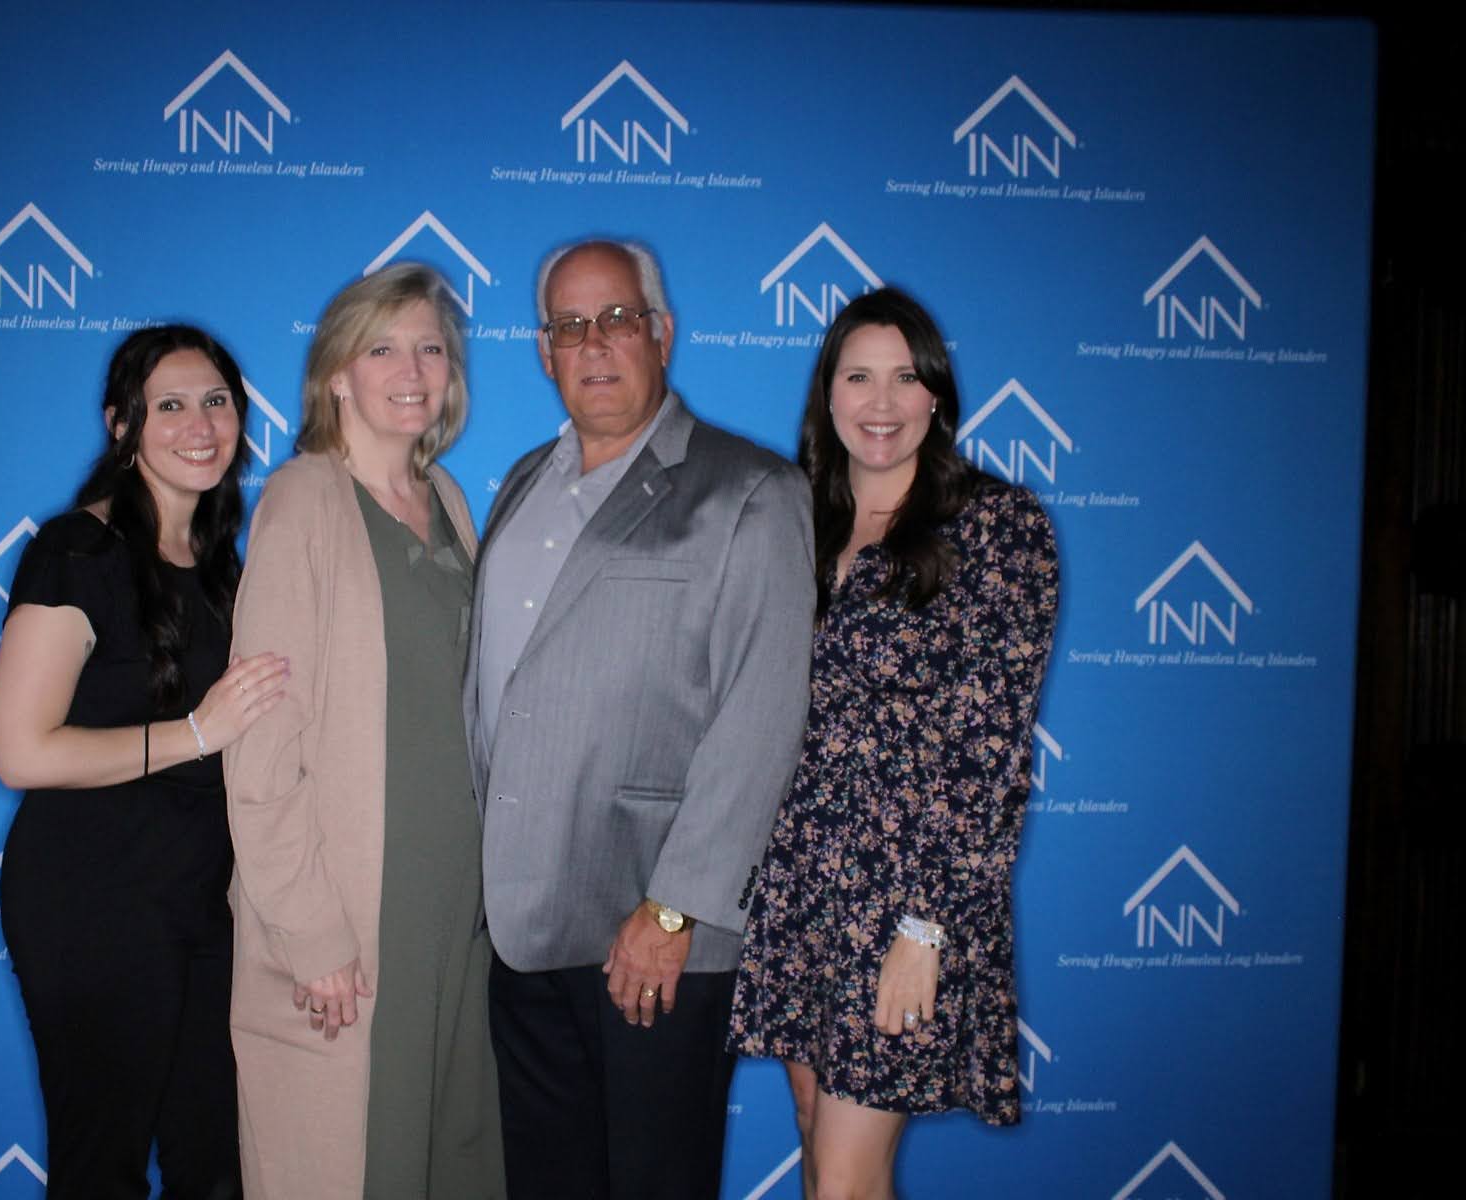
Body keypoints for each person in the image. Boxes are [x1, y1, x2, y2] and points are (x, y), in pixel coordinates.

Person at [464, 238, 816, 1199]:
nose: (594, 343)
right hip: (520, 933)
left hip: (653, 935)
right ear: (543, 351)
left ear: (662, 333)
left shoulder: (750, 491)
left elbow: (761, 720)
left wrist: (673, 909)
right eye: (570, 326)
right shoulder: (521, 484)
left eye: (617, 318)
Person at [729, 288, 1059, 1200]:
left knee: (844, 1175)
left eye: (905, 378)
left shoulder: (998, 528)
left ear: (936, 394)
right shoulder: (795, 520)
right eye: (858, 377)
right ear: (827, 394)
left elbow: (990, 753)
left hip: (909, 889)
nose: (881, 403)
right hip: (797, 878)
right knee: (815, 1137)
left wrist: (924, 927)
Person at [0, 324, 290, 1199]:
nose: (200, 425)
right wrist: (197, 731)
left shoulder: (221, 567)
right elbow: (19, 749)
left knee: (217, 1169)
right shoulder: (76, 552)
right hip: (94, 901)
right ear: (121, 424)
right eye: (170, 405)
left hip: (202, 903)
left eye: (217, 402)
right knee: (103, 1168)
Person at [225, 263, 504, 1199]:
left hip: (455, 915)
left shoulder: (449, 498)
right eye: (382, 348)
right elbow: (261, 747)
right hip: (355, 915)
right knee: (355, 1167)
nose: (412, 370)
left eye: (431, 348)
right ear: (337, 375)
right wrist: (311, 933)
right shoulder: (304, 499)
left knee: (451, 1164)